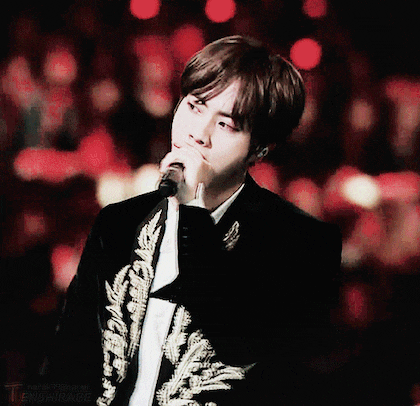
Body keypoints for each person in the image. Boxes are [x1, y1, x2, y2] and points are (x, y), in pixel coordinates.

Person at [42, 35, 342, 406]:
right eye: (196, 106)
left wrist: (192, 213)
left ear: (260, 149)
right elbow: (66, 363)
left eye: (226, 125)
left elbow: (238, 343)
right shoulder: (118, 223)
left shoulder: (302, 243)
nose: (198, 134)